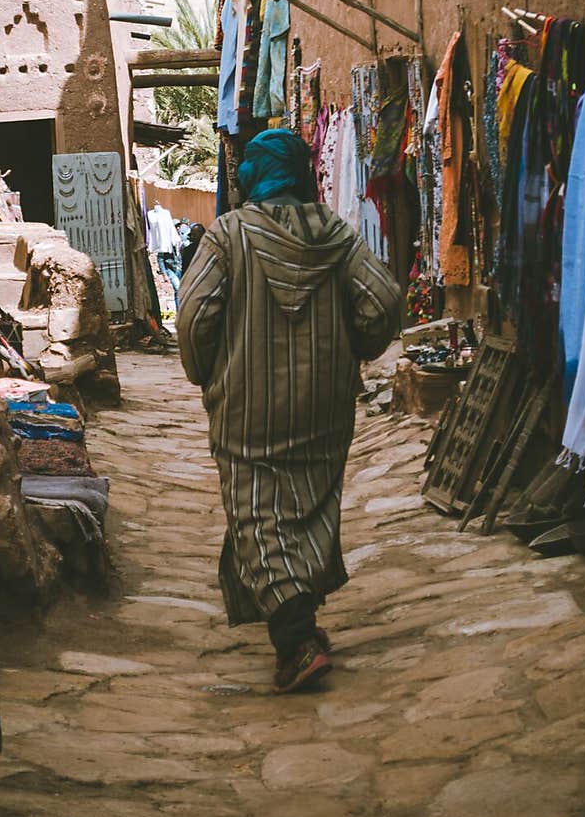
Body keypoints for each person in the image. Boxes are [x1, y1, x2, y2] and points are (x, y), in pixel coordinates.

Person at [177, 128, 401, 694]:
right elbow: (384, 301)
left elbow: (194, 317)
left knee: (257, 512)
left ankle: (296, 639)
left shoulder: (229, 237)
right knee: (310, 505)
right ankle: (302, 618)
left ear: (252, 176)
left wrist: (208, 371)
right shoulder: (337, 236)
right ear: (302, 175)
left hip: (247, 411)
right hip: (323, 410)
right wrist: (353, 347)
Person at [148, 200, 181, 310]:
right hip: (170, 268)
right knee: (178, 287)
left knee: (179, 290)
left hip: (178, 267)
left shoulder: (176, 241)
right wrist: (164, 274)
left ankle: (179, 311)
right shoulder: (164, 242)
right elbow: (160, 258)